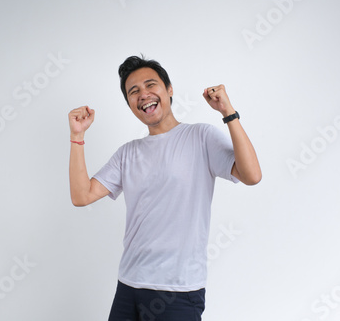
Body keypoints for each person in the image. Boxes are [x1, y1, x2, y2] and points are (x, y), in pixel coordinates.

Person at [68, 55, 262, 321]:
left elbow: (251, 175)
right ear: (130, 104)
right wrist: (77, 137)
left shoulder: (200, 137)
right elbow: (81, 196)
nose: (143, 95)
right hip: (129, 286)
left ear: (169, 90)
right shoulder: (128, 153)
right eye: (133, 91)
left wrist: (228, 112)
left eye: (151, 85)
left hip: (177, 291)